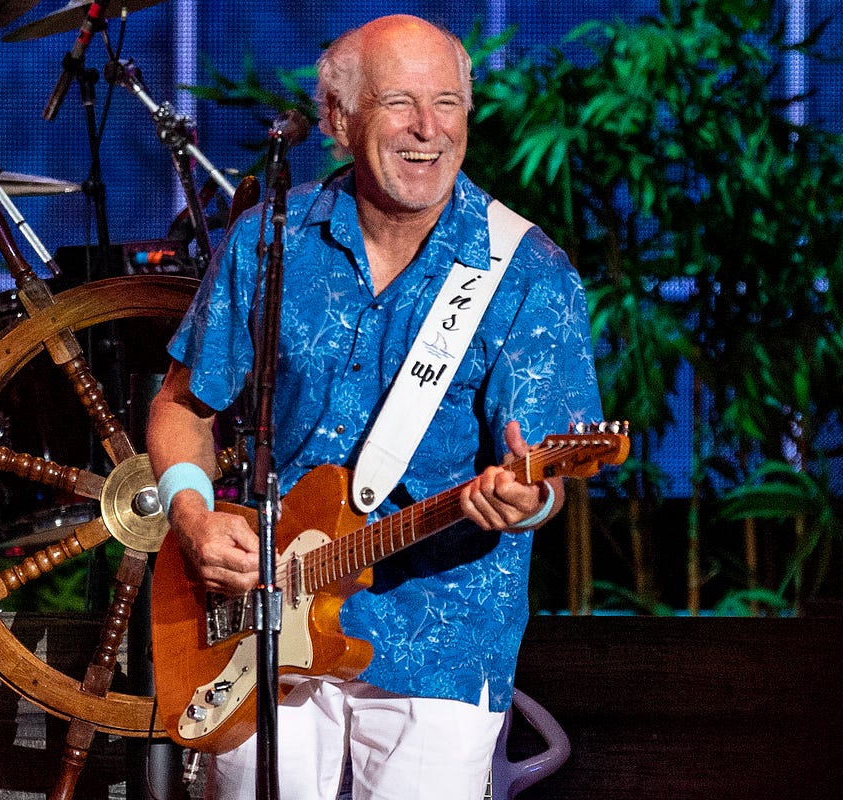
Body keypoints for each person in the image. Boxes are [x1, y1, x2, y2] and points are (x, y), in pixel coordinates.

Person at [146, 13, 602, 800]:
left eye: (449, 103)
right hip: (264, 622)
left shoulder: (528, 273)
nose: (429, 129)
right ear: (337, 120)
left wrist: (526, 499)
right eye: (399, 102)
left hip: (442, 640)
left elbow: (544, 477)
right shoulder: (267, 243)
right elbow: (181, 407)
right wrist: (193, 517)